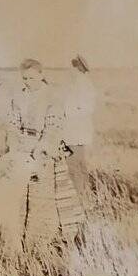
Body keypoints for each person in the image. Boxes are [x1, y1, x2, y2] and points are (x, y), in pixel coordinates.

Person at [4, 58, 85, 245]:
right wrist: (14, 146)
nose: (28, 82)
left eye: (32, 78)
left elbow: (53, 127)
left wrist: (40, 149)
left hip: (43, 150)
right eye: (24, 78)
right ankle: (14, 240)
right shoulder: (18, 97)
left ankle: (38, 241)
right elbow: (12, 124)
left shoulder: (52, 97)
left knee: (40, 194)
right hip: (21, 149)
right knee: (16, 194)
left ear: (41, 75)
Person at [62, 54, 96, 196]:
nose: (70, 71)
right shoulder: (81, 84)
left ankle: (78, 194)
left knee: (73, 164)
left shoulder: (81, 85)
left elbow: (82, 109)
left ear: (78, 68)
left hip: (75, 131)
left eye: (73, 68)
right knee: (79, 163)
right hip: (77, 131)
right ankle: (83, 192)